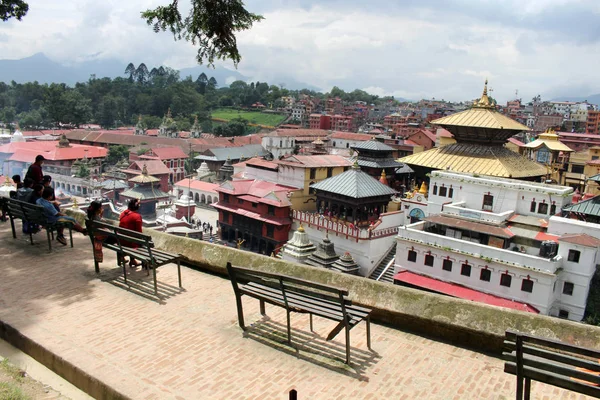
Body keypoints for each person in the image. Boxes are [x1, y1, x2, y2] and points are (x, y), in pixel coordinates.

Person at [119, 198, 143, 268]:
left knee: (131, 238)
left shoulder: (123, 213)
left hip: (121, 241)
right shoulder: (137, 216)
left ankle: (132, 260)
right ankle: (146, 263)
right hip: (130, 243)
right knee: (142, 243)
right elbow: (139, 232)